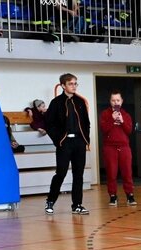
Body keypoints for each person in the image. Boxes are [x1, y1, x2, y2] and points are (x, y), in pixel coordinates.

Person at [44, 73, 90, 215]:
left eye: (75, 83)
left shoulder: (80, 102)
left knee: (78, 174)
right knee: (61, 173)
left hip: (79, 142)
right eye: (71, 84)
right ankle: (50, 200)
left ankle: (77, 205)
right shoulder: (56, 102)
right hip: (64, 143)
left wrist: (85, 140)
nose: (74, 86)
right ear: (63, 86)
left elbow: (86, 123)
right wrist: (59, 140)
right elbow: (49, 124)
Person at [99, 89, 136, 206]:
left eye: (118, 100)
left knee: (127, 172)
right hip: (110, 147)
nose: (116, 102)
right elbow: (103, 129)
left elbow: (129, 130)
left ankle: (130, 195)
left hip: (124, 147)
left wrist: (122, 121)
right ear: (110, 101)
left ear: (122, 101)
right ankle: (113, 196)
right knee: (111, 173)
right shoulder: (105, 114)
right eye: (113, 100)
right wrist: (112, 119)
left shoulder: (126, 115)